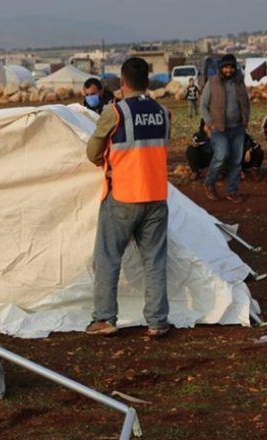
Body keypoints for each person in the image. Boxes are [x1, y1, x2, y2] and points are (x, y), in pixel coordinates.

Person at [84, 57, 171, 338]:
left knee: (107, 258)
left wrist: (106, 160)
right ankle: (158, 321)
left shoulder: (115, 112)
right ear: (147, 81)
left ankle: (104, 318)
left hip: (123, 195)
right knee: (154, 261)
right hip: (156, 196)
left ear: (122, 82)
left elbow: (92, 152)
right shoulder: (163, 112)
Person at [200, 54, 250, 203]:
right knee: (221, 155)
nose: (229, 70)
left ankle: (232, 191)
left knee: (236, 161)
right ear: (221, 68)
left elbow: (246, 103)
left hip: (237, 127)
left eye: (231, 67)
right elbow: (203, 105)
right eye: (226, 67)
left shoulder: (239, 82)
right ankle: (209, 183)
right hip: (219, 128)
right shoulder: (212, 82)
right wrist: (209, 122)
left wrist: (245, 119)